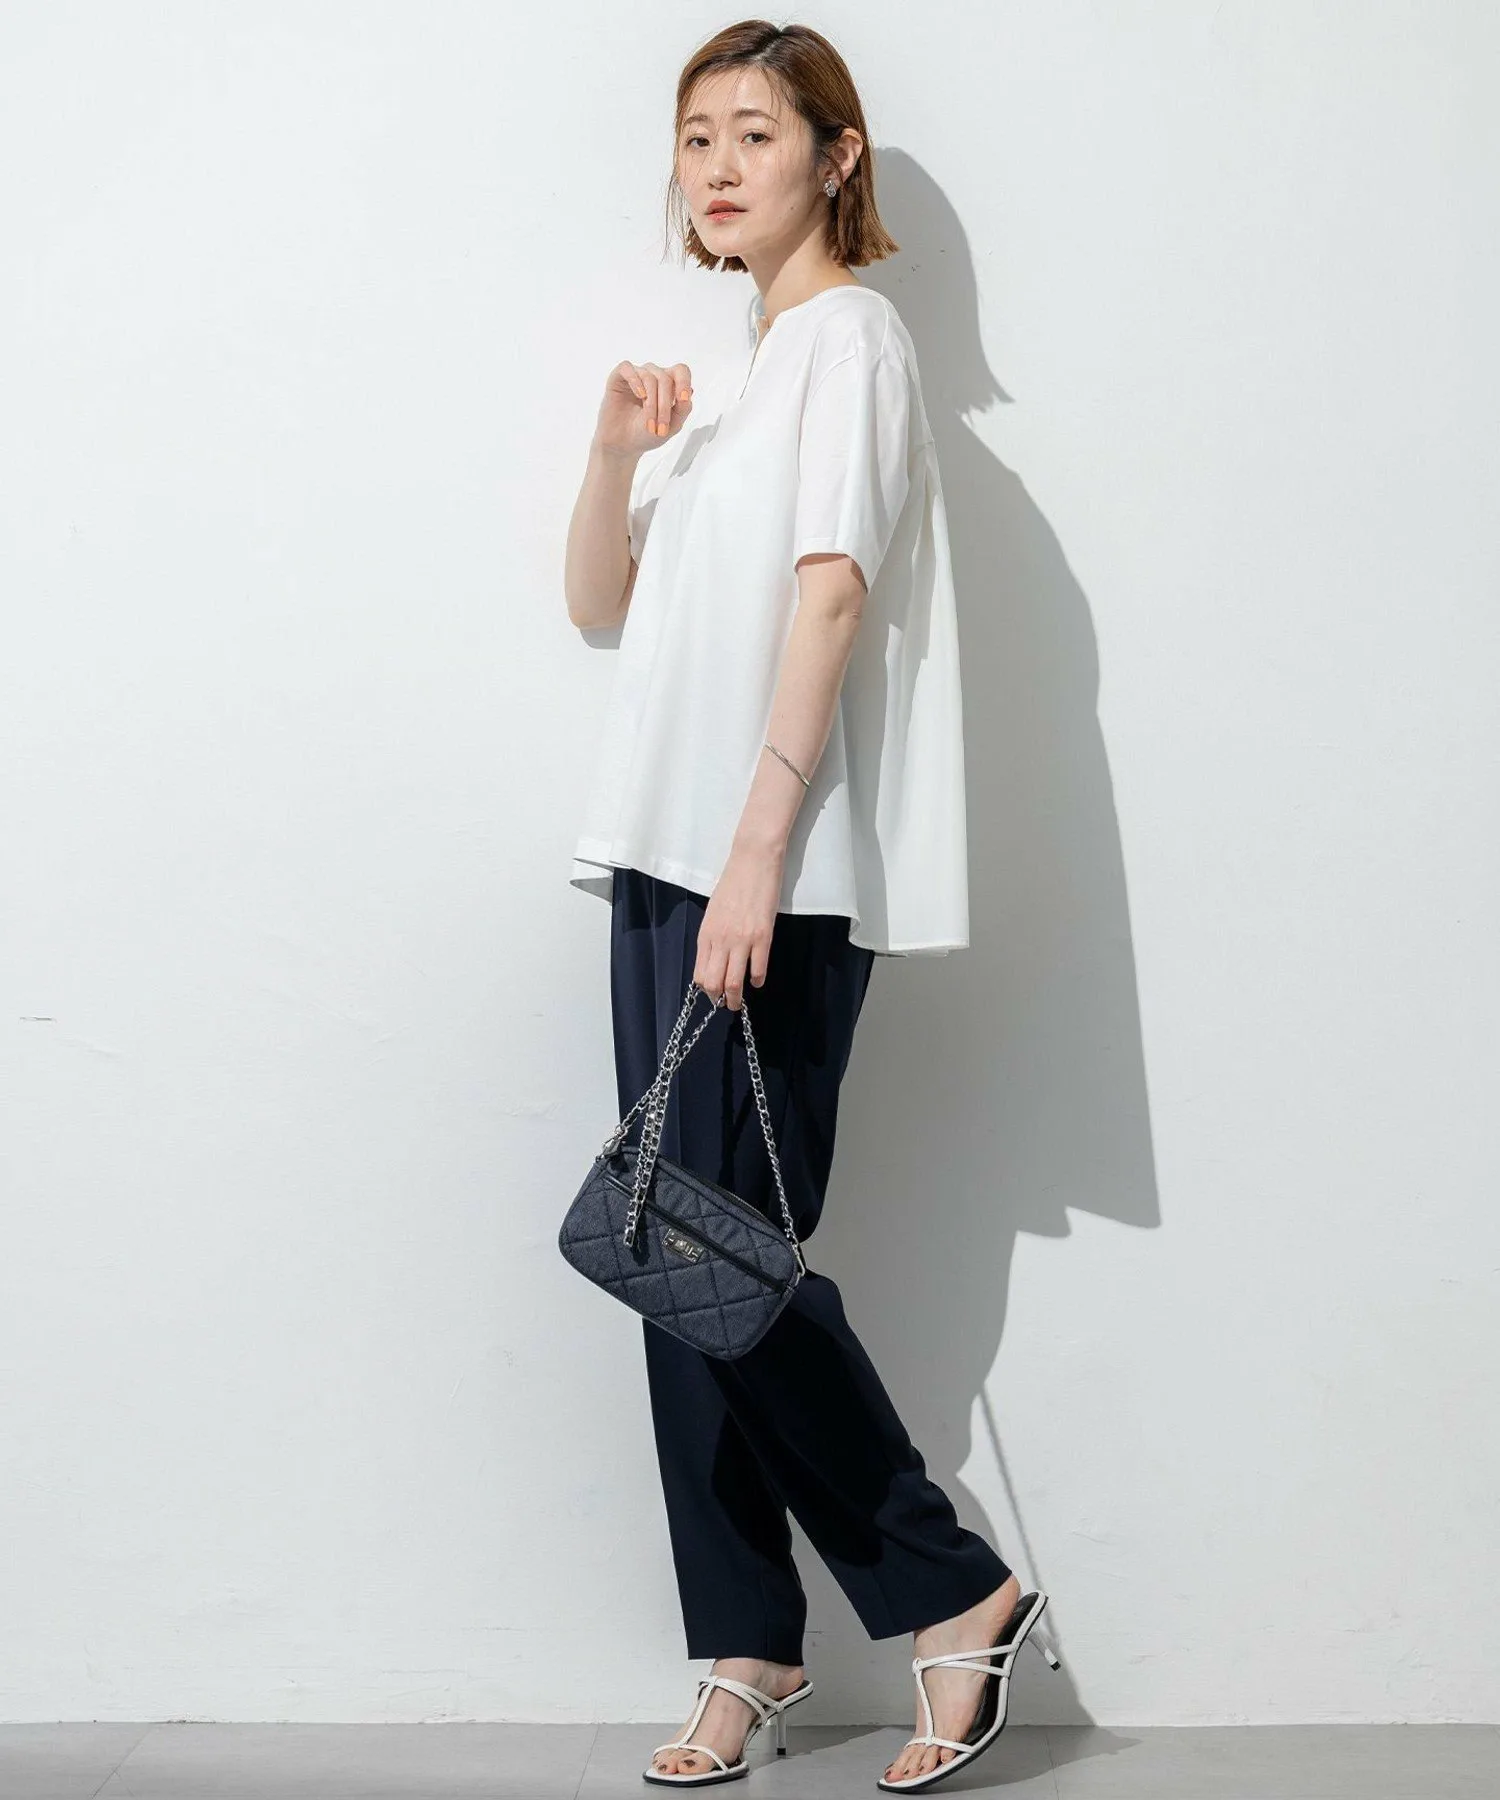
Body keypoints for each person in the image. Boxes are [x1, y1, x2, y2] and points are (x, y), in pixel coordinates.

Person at [562, 21, 1058, 1792]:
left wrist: (761, 853)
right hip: (660, 859)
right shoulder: (748, 377)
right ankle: (747, 1646)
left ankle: (949, 1590)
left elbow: (832, 599)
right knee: (673, 1259)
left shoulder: (851, 341)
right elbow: (601, 604)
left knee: (712, 1249)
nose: (715, 165)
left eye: (755, 132)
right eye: (695, 134)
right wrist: (615, 453)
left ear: (836, 156)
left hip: (761, 870)